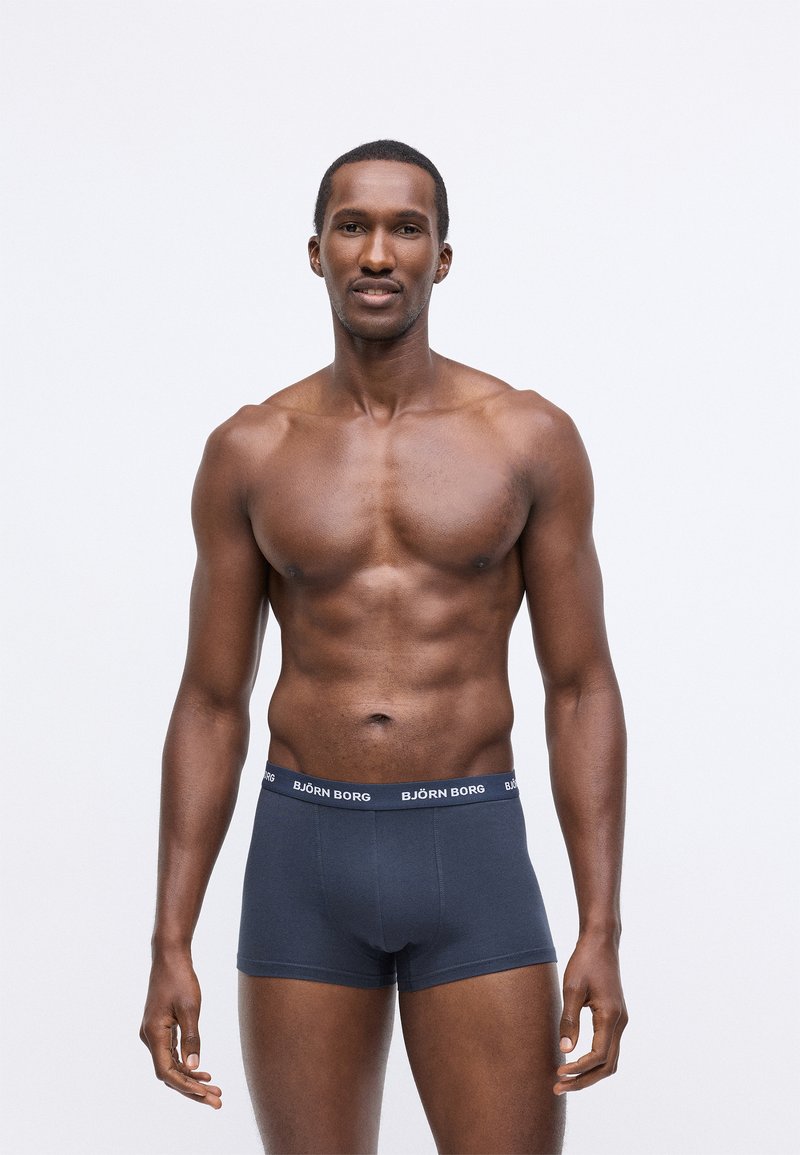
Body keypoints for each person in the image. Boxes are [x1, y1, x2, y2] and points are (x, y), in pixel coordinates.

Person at [139, 139, 628, 1155]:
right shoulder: (250, 450)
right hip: (302, 857)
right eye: (351, 226)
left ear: (440, 257)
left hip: (470, 848)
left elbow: (580, 686)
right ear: (314, 251)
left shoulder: (526, 438)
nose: (376, 252)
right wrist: (169, 939)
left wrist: (600, 925)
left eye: (406, 229)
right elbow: (211, 702)